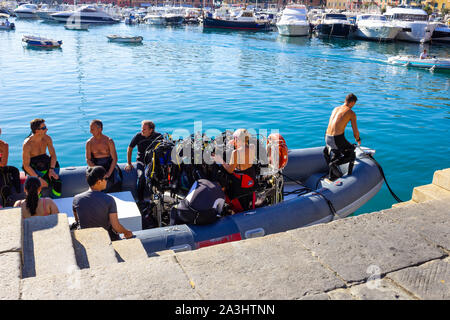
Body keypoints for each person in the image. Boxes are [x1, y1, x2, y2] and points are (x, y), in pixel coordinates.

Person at [72, 166, 133, 241]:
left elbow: (77, 220)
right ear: (99, 182)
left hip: (86, 238)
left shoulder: (76, 199)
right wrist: (126, 232)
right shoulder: (109, 200)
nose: (107, 181)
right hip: (104, 239)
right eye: (106, 179)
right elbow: (116, 226)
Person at [214, 129, 257, 213]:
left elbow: (230, 170)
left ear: (237, 139)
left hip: (239, 182)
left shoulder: (236, 152)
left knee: (221, 177)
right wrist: (236, 143)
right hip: (250, 178)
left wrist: (220, 160)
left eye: (235, 138)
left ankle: (221, 205)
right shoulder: (252, 147)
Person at [324, 93, 361, 180]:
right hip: (336, 139)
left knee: (337, 151)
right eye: (354, 104)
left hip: (327, 137)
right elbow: (355, 131)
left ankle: (332, 176)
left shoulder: (335, 109)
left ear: (345, 100)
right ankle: (346, 175)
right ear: (352, 102)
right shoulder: (351, 112)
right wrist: (358, 139)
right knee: (351, 153)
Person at [22, 119, 62, 198]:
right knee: (35, 186)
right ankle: (37, 201)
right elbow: (26, 165)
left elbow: (53, 155)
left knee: (57, 182)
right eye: (43, 128)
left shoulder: (47, 138)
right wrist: (38, 178)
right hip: (34, 166)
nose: (46, 129)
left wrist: (51, 170)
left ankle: (53, 201)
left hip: (45, 162)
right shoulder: (27, 144)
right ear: (37, 131)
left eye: (45, 127)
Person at [124, 120, 162, 202]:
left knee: (156, 178)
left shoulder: (158, 136)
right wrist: (129, 163)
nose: (142, 131)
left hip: (153, 162)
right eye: (142, 129)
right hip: (141, 161)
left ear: (151, 130)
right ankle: (141, 200)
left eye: (144, 129)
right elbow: (130, 148)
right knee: (141, 177)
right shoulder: (138, 136)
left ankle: (155, 199)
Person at [85, 119, 121, 192]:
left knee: (117, 179)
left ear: (100, 129)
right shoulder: (89, 143)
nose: (90, 131)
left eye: (92, 129)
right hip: (96, 165)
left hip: (108, 164)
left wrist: (108, 173)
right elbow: (88, 159)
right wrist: (95, 170)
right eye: (90, 129)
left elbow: (114, 159)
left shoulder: (109, 141)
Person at [0, 127, 21, 207]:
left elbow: (3, 164)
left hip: (1, 168)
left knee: (14, 170)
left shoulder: (4, 145)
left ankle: (17, 192)